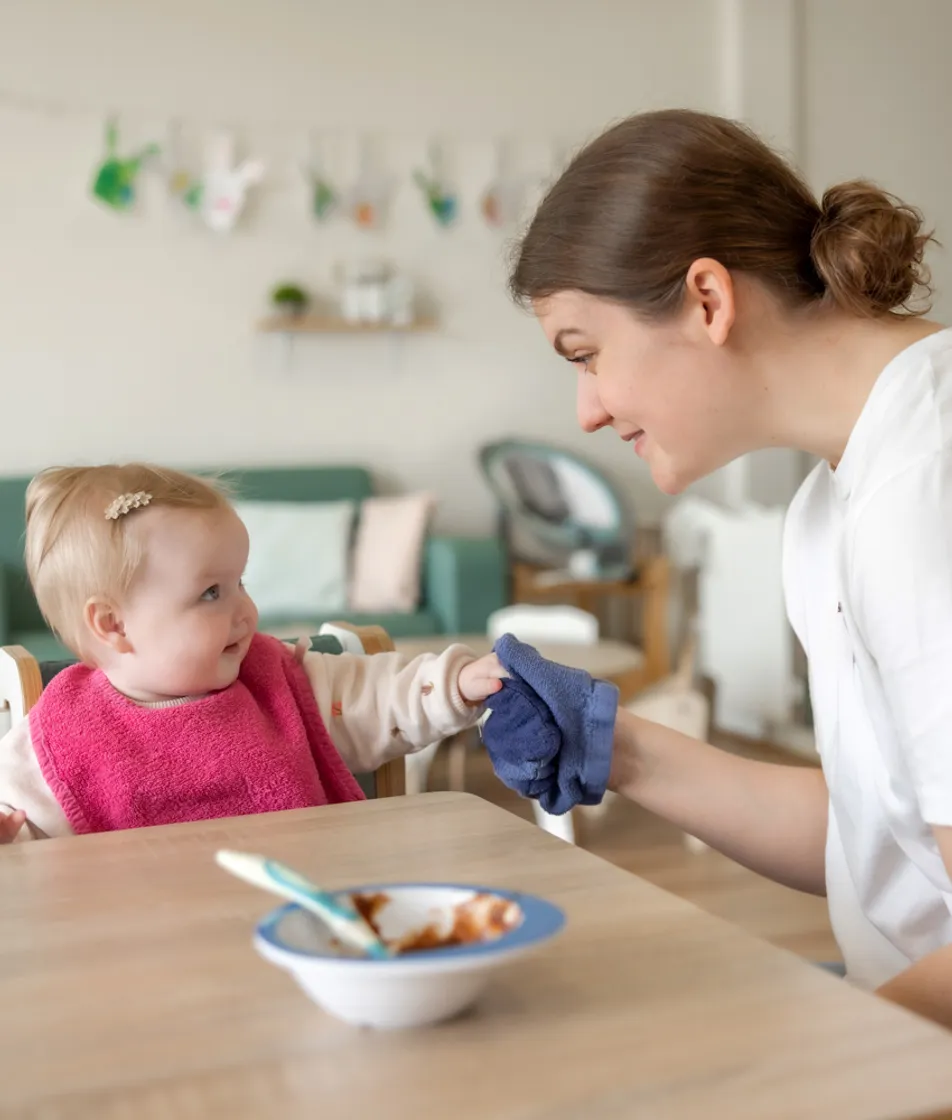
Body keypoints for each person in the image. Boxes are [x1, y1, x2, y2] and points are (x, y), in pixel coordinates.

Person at [507, 108, 952, 1027]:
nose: (586, 411)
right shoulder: (830, 503)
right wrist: (612, 746)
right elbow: (881, 840)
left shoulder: (927, 484)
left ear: (708, 300)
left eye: (587, 355)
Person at [0, 464, 506, 842]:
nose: (247, 611)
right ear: (114, 625)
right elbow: (26, 827)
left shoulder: (277, 680)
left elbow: (378, 698)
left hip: (304, 923)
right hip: (149, 958)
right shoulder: (61, 733)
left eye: (239, 582)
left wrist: (455, 685)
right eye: (211, 594)